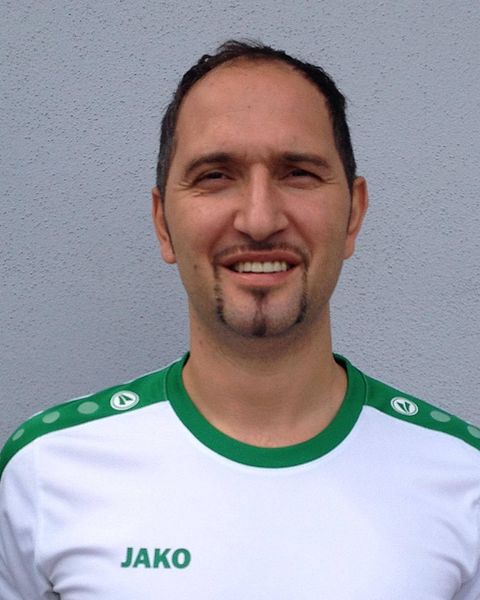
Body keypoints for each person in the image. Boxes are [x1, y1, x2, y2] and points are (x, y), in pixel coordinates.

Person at [1, 40, 479, 599]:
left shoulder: (463, 478)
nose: (258, 219)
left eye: (297, 173)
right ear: (163, 223)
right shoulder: (45, 471)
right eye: (214, 175)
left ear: (353, 215)